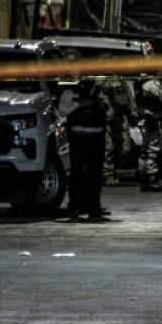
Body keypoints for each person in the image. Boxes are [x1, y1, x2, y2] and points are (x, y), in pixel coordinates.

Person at [59, 79, 113, 221]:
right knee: (77, 175)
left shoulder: (100, 93)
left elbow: (111, 114)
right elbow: (62, 111)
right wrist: (79, 104)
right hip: (78, 137)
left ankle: (94, 210)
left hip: (97, 137)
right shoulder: (70, 93)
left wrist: (105, 107)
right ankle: (75, 209)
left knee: (95, 176)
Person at [136, 75, 162, 192]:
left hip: (143, 119)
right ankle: (153, 180)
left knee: (144, 152)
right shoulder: (151, 83)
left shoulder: (140, 82)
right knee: (153, 151)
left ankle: (144, 180)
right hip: (152, 119)